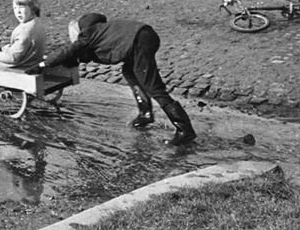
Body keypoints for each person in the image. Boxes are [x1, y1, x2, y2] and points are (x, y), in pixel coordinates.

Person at [32, 13, 196, 145]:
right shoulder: (100, 31)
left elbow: (67, 51)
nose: (75, 40)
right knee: (129, 70)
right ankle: (145, 113)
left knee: (154, 88)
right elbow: (87, 55)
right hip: (145, 36)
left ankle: (184, 130)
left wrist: (42, 65)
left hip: (140, 41)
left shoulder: (88, 34)